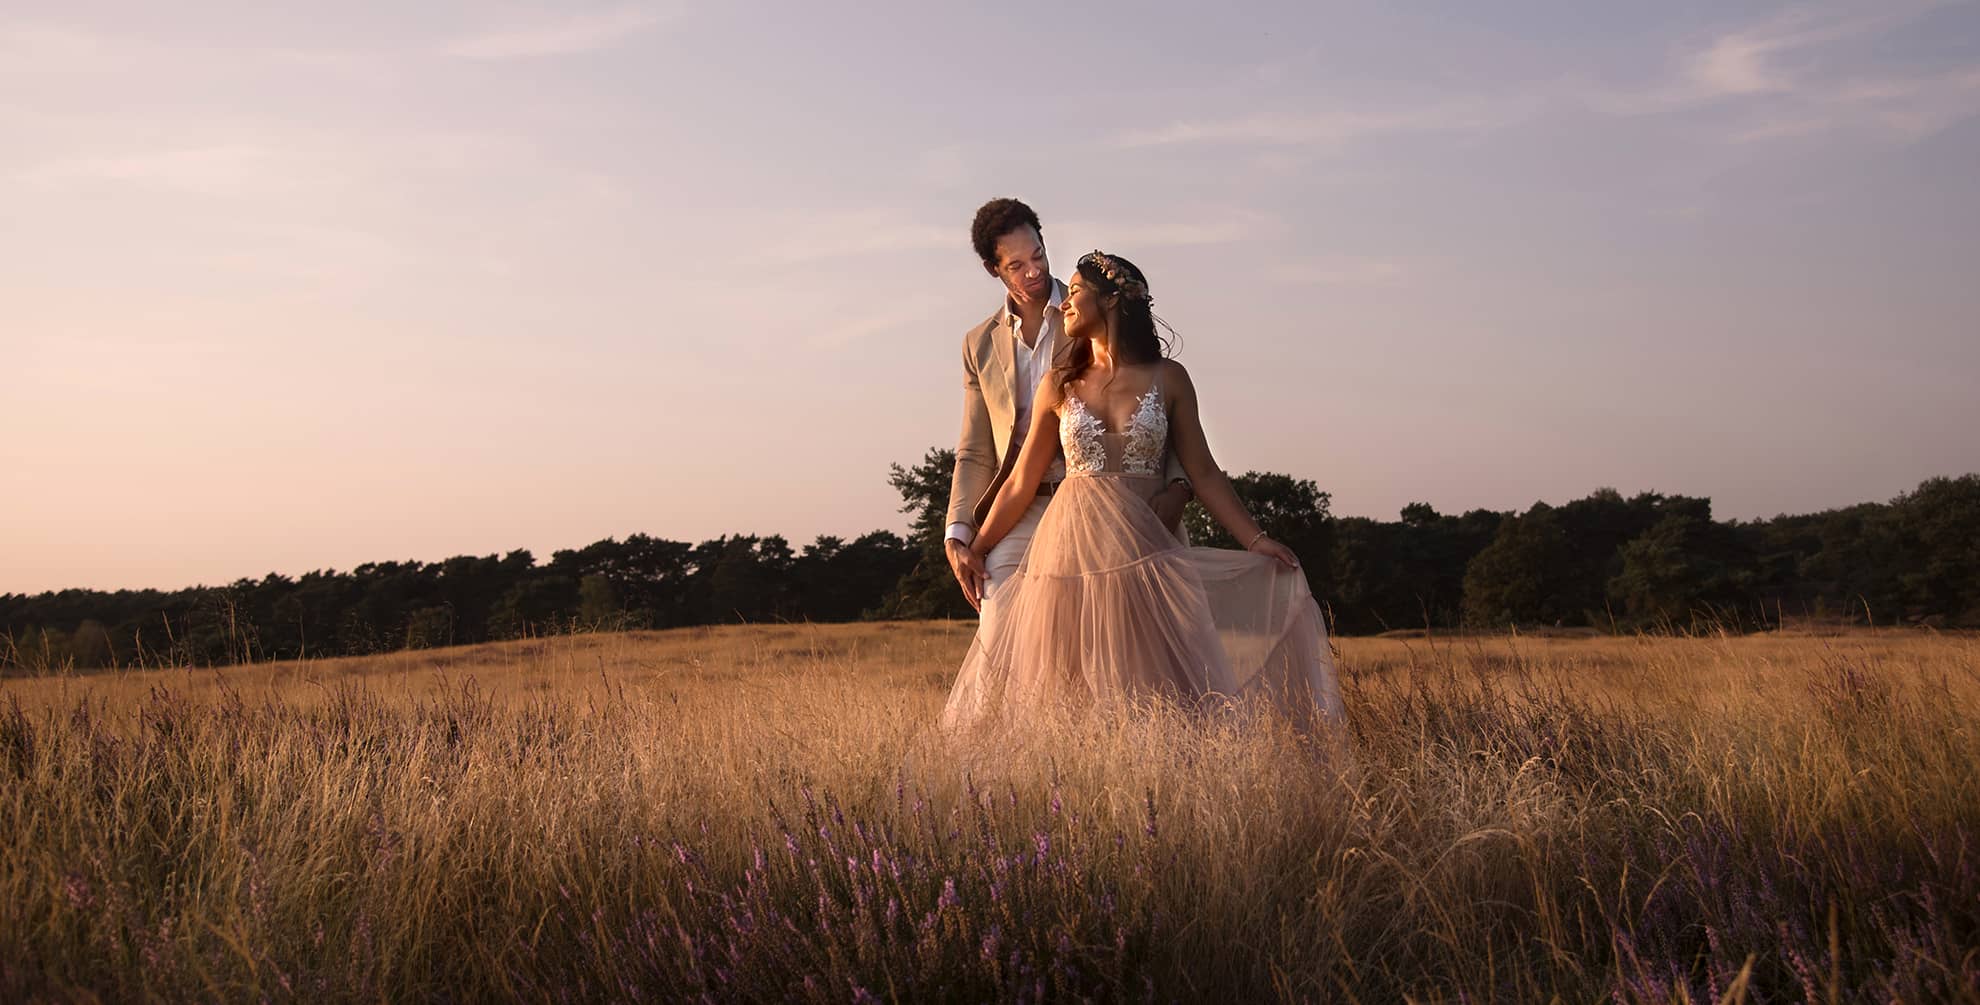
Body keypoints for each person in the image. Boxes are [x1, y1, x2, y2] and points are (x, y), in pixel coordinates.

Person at [940, 250, 1344, 731]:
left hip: (1146, 545)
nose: (1064, 303)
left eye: (1073, 292)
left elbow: (1206, 473)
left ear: (1111, 299)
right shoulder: (1058, 386)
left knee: (1159, 681)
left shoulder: (1169, 379)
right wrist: (975, 548)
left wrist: (1256, 541)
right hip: (1070, 552)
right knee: (1066, 682)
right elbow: (1021, 482)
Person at [944, 200, 1193, 640]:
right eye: (1017, 265)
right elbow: (975, 450)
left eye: (1038, 255)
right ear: (993, 268)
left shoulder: (1091, 305)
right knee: (999, 629)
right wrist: (960, 535)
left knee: (1109, 639)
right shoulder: (978, 344)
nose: (1034, 272)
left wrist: (1178, 486)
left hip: (1109, 504)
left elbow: (1148, 399)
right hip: (1021, 505)